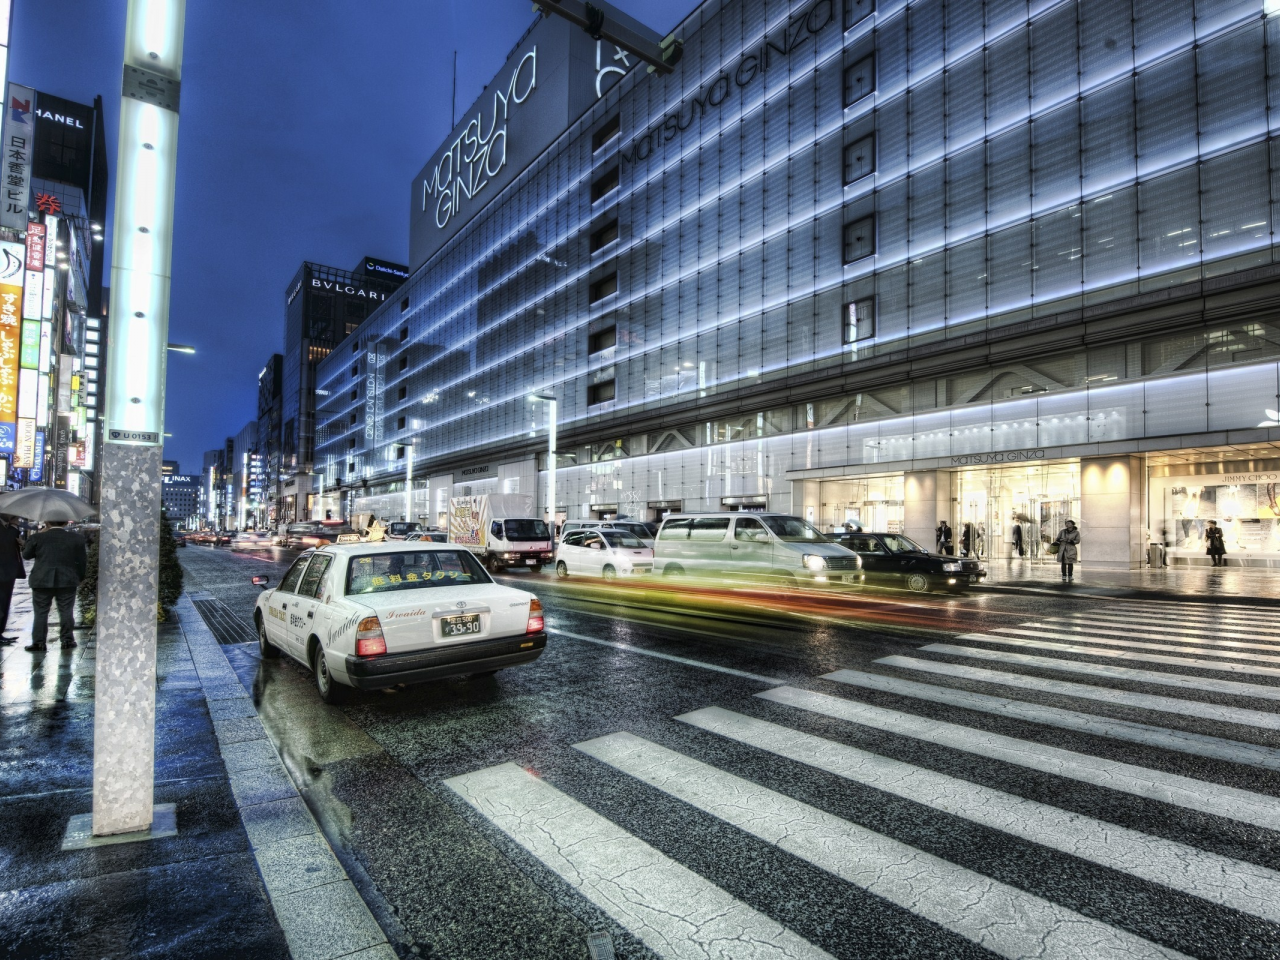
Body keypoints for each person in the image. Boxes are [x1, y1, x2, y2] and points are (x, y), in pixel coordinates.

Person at [22, 520, 88, 652]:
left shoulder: (37, 537)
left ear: (47, 523)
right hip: (67, 579)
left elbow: (26, 555)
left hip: (42, 579)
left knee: (40, 612)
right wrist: (80, 577)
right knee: (66, 611)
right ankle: (67, 640)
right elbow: (82, 561)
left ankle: (39, 642)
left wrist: (28, 543)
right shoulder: (76, 538)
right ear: (64, 523)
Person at [0, 514, 25, 645]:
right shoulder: (8, 528)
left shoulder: (7, 527)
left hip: (7, 572)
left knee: (4, 603)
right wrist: (14, 527)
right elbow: (5, 541)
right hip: (3, 572)